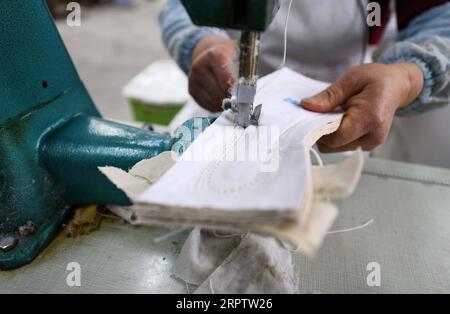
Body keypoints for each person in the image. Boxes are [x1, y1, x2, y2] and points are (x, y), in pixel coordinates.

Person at [159, 0, 450, 162]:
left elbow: (442, 19)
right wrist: (200, 44)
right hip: (224, 107)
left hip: (347, 123)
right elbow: (179, 7)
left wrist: (407, 76)